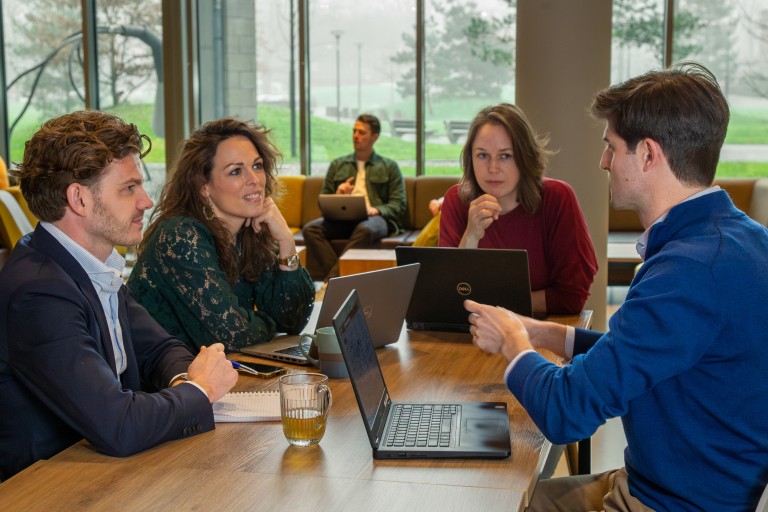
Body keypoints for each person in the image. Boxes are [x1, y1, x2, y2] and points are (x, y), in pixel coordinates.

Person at [466, 63, 768, 511]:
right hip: (669, 481)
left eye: (611, 147)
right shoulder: (738, 238)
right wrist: (544, 333)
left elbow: (564, 411)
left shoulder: (689, 271)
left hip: (669, 501)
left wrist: (512, 344)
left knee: (491, 500)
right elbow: (645, 348)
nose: (603, 161)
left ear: (647, 155)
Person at [0, 111, 238, 481]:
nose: (146, 201)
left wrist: (182, 381)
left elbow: (161, 349)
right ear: (78, 198)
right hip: (49, 491)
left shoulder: (89, 264)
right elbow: (119, 425)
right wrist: (200, 389)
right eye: (129, 188)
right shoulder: (38, 291)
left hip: (101, 472)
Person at [127, 118, 315, 353]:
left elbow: (293, 321)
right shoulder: (180, 236)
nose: (254, 180)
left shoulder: (251, 232)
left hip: (213, 376)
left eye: (257, 166)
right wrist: (269, 322)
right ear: (203, 186)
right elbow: (232, 334)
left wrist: (286, 242)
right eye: (236, 171)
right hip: (162, 385)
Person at [439, 103, 597, 315]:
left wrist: (491, 306)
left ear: (524, 157)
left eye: (505, 156)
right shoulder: (456, 199)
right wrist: (471, 236)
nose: (493, 168)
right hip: (472, 329)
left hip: (542, 328)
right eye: (482, 155)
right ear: (470, 158)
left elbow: (572, 297)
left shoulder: (557, 198)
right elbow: (447, 295)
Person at [302, 113, 406, 280]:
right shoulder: (337, 164)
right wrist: (338, 196)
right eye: (354, 131)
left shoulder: (389, 167)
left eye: (361, 132)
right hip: (342, 219)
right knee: (310, 229)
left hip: (374, 219)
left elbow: (399, 204)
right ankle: (340, 277)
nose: (355, 136)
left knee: (364, 229)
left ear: (374, 137)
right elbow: (323, 200)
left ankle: (332, 280)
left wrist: (375, 210)